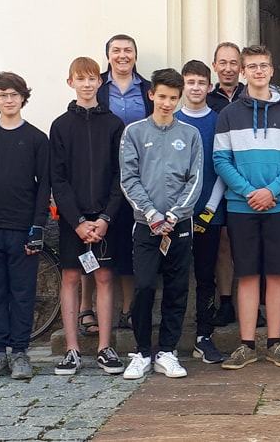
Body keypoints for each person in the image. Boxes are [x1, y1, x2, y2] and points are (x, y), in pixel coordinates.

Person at [213, 45, 280, 369]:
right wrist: (250, 192)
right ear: (243, 72)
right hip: (242, 207)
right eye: (251, 66)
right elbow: (221, 159)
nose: (258, 71)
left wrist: (271, 191)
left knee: (277, 275)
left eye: (263, 65)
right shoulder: (229, 114)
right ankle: (247, 344)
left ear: (272, 70)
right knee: (248, 275)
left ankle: (275, 344)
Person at [119, 68, 203, 379]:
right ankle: (142, 351)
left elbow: (196, 178)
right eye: (162, 96)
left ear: (179, 99)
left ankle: (167, 351)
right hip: (146, 225)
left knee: (177, 288)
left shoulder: (190, 135)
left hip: (179, 225)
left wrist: (174, 214)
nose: (167, 103)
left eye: (173, 98)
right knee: (143, 286)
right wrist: (152, 214)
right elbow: (128, 178)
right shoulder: (134, 132)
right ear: (151, 94)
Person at [0, 72, 50, 381]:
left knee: (22, 293)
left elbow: (44, 187)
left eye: (14, 94)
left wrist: (37, 226)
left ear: (23, 97)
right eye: (2, 95)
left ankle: (20, 353)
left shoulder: (37, 139)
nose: (9, 100)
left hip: (22, 231)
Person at [50, 57, 126, 376]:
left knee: (105, 277)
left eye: (92, 78)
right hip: (73, 220)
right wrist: (78, 221)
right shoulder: (60, 126)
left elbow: (120, 175)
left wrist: (106, 217)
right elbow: (58, 178)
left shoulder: (114, 124)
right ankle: (72, 349)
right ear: (70, 82)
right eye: (80, 79)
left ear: (100, 82)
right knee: (70, 277)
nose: (86, 84)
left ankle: (105, 347)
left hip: (106, 218)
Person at [96, 34, 154, 332]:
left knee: (131, 242)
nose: (122, 55)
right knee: (99, 242)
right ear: (107, 56)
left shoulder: (146, 89)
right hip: (103, 174)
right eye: (116, 50)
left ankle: (130, 309)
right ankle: (87, 309)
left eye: (128, 50)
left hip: (140, 174)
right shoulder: (97, 87)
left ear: (135, 55)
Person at [175, 60, 228, 364]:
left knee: (206, 275)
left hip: (209, 212)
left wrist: (209, 209)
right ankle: (170, 338)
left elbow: (223, 166)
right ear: (183, 86)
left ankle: (203, 336)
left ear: (210, 87)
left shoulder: (219, 121)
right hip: (176, 214)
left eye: (201, 83)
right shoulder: (172, 120)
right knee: (176, 274)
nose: (195, 88)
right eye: (190, 82)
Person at [207, 42, 243, 327]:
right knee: (222, 243)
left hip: (248, 182)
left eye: (233, 62)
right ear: (214, 66)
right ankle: (226, 302)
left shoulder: (252, 95)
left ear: (241, 67)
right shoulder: (207, 100)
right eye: (223, 62)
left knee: (247, 244)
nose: (228, 68)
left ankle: (250, 305)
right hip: (216, 180)